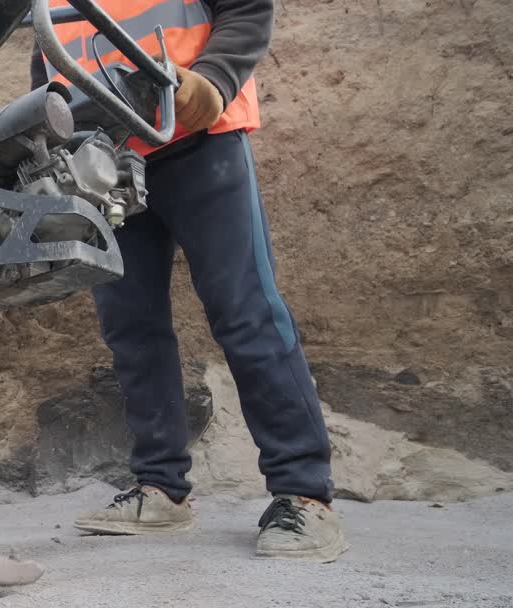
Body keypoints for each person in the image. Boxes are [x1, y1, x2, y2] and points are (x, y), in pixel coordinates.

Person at [31, 0, 348, 562]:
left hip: (199, 135)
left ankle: (304, 494)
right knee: (130, 328)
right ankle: (160, 488)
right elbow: (48, 70)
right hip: (104, 163)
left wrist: (215, 82)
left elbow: (247, 10)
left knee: (244, 308)